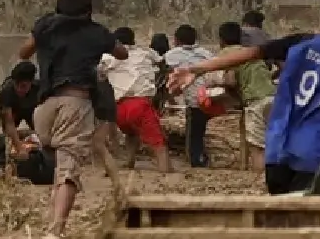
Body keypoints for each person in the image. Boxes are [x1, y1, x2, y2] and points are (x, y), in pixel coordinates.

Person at [168, 0, 320, 196]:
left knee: (282, 217)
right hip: (316, 155)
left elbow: (251, 53)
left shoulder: (301, 42)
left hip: (277, 150)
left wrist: (196, 69)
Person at [17, 0, 123, 239]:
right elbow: (122, 53)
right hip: (75, 103)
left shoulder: (45, 26)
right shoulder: (96, 32)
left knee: (57, 161)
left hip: (43, 108)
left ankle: (52, 216)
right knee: (68, 168)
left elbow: (23, 52)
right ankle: (56, 231)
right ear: (88, 11)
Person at [102, 27, 170, 173]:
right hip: (140, 104)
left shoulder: (107, 57)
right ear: (133, 40)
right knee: (159, 144)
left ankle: (129, 161)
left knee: (131, 133)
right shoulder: (146, 52)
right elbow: (164, 64)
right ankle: (166, 171)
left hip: (118, 108)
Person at [163, 24, 218, 168]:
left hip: (195, 99)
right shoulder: (206, 53)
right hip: (212, 96)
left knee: (195, 131)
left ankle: (196, 160)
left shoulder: (171, 55)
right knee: (198, 128)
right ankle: (198, 154)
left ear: (176, 40)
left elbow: (164, 71)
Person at [219, 22, 275, 154]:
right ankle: (245, 167)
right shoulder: (249, 51)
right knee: (268, 141)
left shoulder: (226, 53)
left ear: (221, 40)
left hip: (256, 100)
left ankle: (258, 173)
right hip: (273, 96)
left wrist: (218, 85)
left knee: (257, 149)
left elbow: (231, 81)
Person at [0, 61, 41, 159]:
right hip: (14, 110)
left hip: (31, 109)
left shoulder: (39, 89)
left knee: (41, 135)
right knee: (8, 139)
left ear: (31, 83)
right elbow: (9, 123)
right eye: (16, 85)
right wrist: (19, 148)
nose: (18, 89)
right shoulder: (6, 92)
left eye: (23, 86)